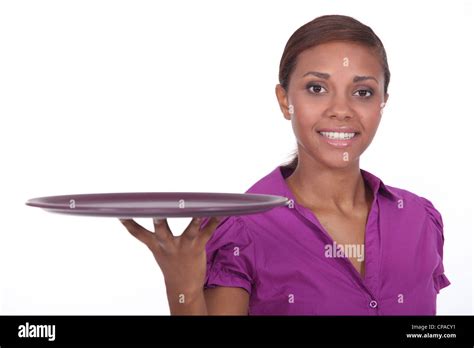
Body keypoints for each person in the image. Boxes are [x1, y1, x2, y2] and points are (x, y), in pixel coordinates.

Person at [119, 14, 450, 315]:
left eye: (362, 92)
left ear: (382, 103)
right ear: (284, 100)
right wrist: (184, 290)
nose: (341, 109)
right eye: (317, 88)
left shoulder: (419, 219)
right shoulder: (241, 229)